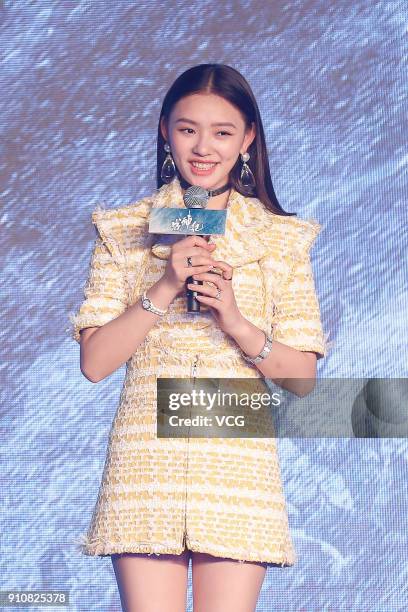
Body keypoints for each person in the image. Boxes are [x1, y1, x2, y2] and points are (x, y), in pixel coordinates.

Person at [69, 63, 328, 612]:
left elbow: (302, 379)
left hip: (236, 455)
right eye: (188, 129)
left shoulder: (280, 239)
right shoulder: (123, 230)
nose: (203, 147)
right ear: (165, 131)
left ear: (248, 139)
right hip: (146, 459)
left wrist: (233, 318)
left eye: (222, 132)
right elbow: (95, 362)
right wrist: (164, 286)